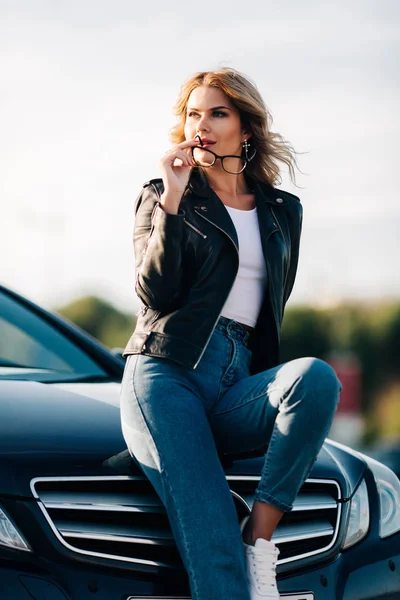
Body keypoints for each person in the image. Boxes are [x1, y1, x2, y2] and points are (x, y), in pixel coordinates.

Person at [120, 67, 341, 600]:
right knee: (212, 544)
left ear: (246, 126)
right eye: (193, 114)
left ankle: (259, 539)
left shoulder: (283, 211)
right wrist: (174, 199)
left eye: (217, 112)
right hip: (167, 373)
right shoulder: (162, 195)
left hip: (237, 376)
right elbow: (156, 294)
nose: (202, 124)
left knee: (316, 379)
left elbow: (271, 309)